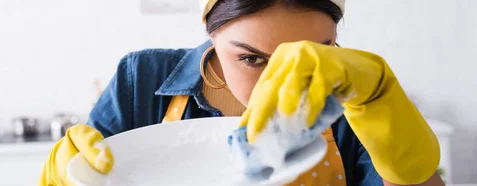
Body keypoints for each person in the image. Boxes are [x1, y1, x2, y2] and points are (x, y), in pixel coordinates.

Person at [39, 0, 445, 185]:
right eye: (253, 60)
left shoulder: (348, 96)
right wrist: (62, 176)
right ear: (212, 35)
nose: (277, 88)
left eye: (312, 57)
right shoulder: (141, 78)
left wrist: (378, 107)